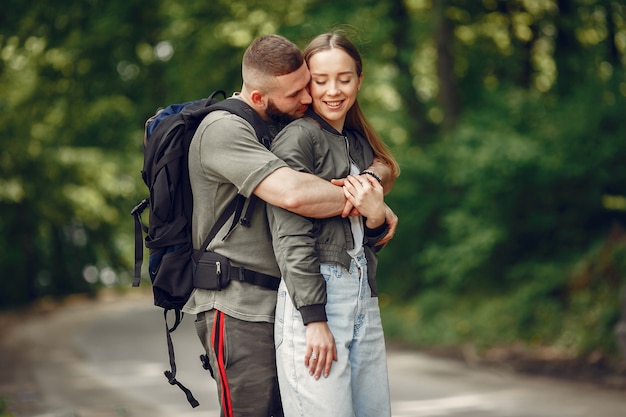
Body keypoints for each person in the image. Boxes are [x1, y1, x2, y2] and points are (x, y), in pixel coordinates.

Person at [183, 34, 397, 417]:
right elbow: (294, 196)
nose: (308, 99)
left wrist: (375, 192)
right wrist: (366, 197)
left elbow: (377, 162)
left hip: (285, 298)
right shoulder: (223, 130)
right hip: (238, 306)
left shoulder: (281, 125)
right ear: (260, 97)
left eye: (306, 86)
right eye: (300, 91)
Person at [267, 32, 401, 417]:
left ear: (359, 79)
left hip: (364, 294)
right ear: (306, 84)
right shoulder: (298, 139)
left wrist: (375, 214)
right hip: (316, 299)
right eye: (320, 80)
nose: (333, 90)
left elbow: (368, 236)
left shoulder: (357, 142)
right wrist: (314, 320)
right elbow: (289, 235)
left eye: (344, 78)